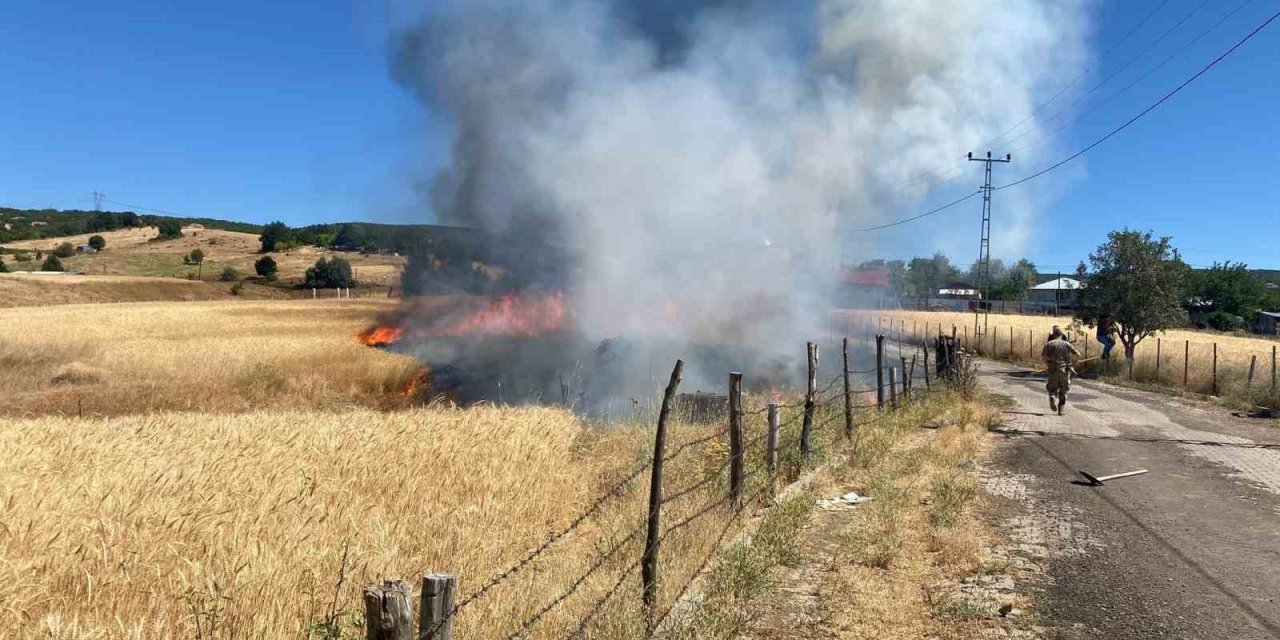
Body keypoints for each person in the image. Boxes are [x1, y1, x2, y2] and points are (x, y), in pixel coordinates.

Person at [1042, 328, 1082, 415]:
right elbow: (1078, 354)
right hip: (1065, 370)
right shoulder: (1066, 344)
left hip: (1053, 370)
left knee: (1052, 388)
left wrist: (1049, 365)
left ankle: (1052, 396)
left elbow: (1044, 357)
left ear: (1053, 335)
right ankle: (1061, 410)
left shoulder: (1048, 344)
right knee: (1064, 390)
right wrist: (1075, 362)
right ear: (1061, 335)